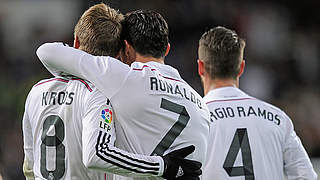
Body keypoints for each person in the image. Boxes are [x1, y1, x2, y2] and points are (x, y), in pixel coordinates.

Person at [22, 3, 201, 180]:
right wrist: (162, 166)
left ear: (75, 41)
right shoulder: (100, 95)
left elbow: (29, 166)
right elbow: (98, 154)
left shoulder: (36, 92)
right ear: (119, 53)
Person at [197, 26, 318, 179]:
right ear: (241, 68)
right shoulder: (278, 118)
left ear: (201, 67)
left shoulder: (194, 118)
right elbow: (306, 176)